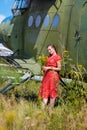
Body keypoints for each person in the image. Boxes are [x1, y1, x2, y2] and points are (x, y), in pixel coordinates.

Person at [39, 44, 62, 109]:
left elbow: (59, 68)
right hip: (47, 77)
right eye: (48, 50)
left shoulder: (57, 57)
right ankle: (41, 111)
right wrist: (44, 68)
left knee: (52, 92)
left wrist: (49, 68)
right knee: (45, 92)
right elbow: (46, 67)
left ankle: (50, 111)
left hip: (53, 77)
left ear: (53, 48)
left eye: (50, 49)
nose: (49, 51)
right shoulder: (49, 57)